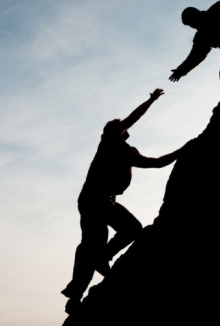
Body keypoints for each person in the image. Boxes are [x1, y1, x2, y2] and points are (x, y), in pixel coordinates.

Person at [62, 88, 187, 312]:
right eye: (121, 126)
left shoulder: (128, 154)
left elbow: (157, 162)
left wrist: (182, 151)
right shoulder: (109, 141)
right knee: (92, 245)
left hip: (106, 202)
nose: (125, 127)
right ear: (115, 130)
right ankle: (76, 294)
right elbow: (133, 118)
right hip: (92, 201)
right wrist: (152, 99)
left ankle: (100, 260)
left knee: (130, 229)